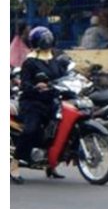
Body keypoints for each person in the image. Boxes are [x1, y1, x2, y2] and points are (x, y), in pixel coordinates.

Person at [10, 26, 69, 184]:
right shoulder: (30, 62)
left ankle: (51, 165)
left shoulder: (54, 58)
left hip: (52, 100)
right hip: (33, 102)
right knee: (31, 130)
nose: (48, 41)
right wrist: (37, 87)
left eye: (49, 38)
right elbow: (25, 86)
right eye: (45, 39)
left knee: (56, 132)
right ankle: (14, 164)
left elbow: (64, 76)